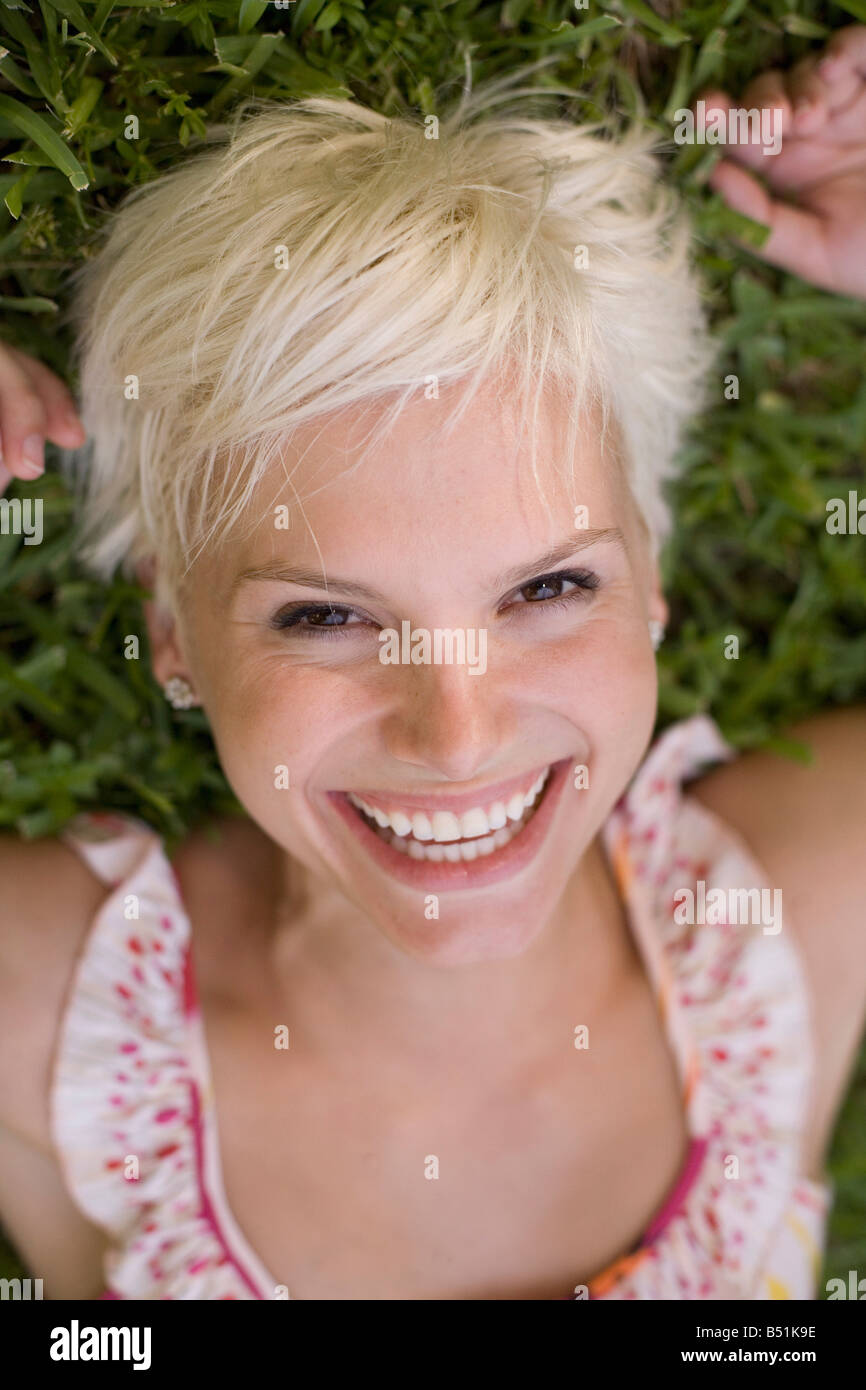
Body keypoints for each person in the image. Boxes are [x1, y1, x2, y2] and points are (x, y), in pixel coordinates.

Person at [0, 27, 864, 1302]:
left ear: (653, 582)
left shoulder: (792, 909)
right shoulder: (37, 998)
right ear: (172, 628)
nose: (455, 736)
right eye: (325, 618)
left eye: (548, 588)